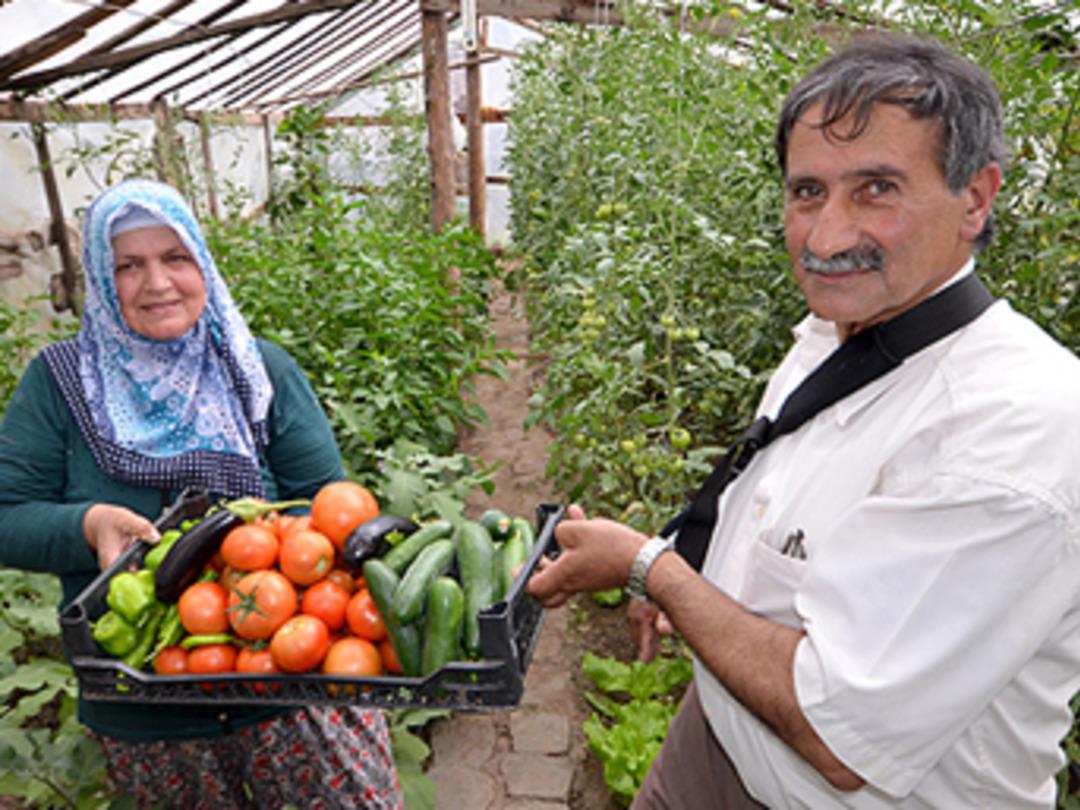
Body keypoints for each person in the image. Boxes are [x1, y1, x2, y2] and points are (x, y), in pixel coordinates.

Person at [527, 32, 1080, 809]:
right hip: (720, 733)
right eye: (808, 191)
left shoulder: (1010, 429)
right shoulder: (845, 324)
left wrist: (652, 570)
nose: (825, 238)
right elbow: (783, 484)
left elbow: (839, 734)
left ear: (976, 198)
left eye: (877, 188)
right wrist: (693, 558)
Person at [0, 178, 402, 809]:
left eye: (175, 257)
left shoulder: (258, 370)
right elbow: (6, 515)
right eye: (128, 266)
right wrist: (89, 524)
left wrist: (268, 558)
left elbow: (328, 508)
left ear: (203, 263)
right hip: (146, 705)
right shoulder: (58, 384)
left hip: (289, 682)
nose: (157, 283)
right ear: (100, 278)